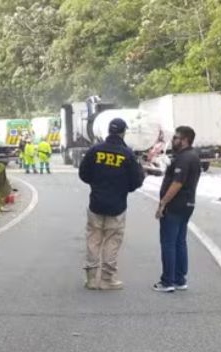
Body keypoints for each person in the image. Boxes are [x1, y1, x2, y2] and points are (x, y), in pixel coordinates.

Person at [78, 118, 146, 290]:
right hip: (117, 205)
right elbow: (137, 180)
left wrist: (97, 184)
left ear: (109, 131)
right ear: (123, 132)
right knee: (112, 241)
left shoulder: (95, 150)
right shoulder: (127, 154)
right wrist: (123, 188)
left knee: (93, 240)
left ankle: (91, 279)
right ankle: (107, 279)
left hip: (96, 203)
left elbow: (83, 173)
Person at [154, 125, 201, 292]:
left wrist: (163, 203)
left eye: (176, 138)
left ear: (185, 140)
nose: (173, 140)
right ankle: (180, 279)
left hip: (175, 205)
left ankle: (168, 281)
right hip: (187, 204)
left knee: (168, 242)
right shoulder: (193, 156)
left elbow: (177, 183)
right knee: (180, 241)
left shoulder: (184, 158)